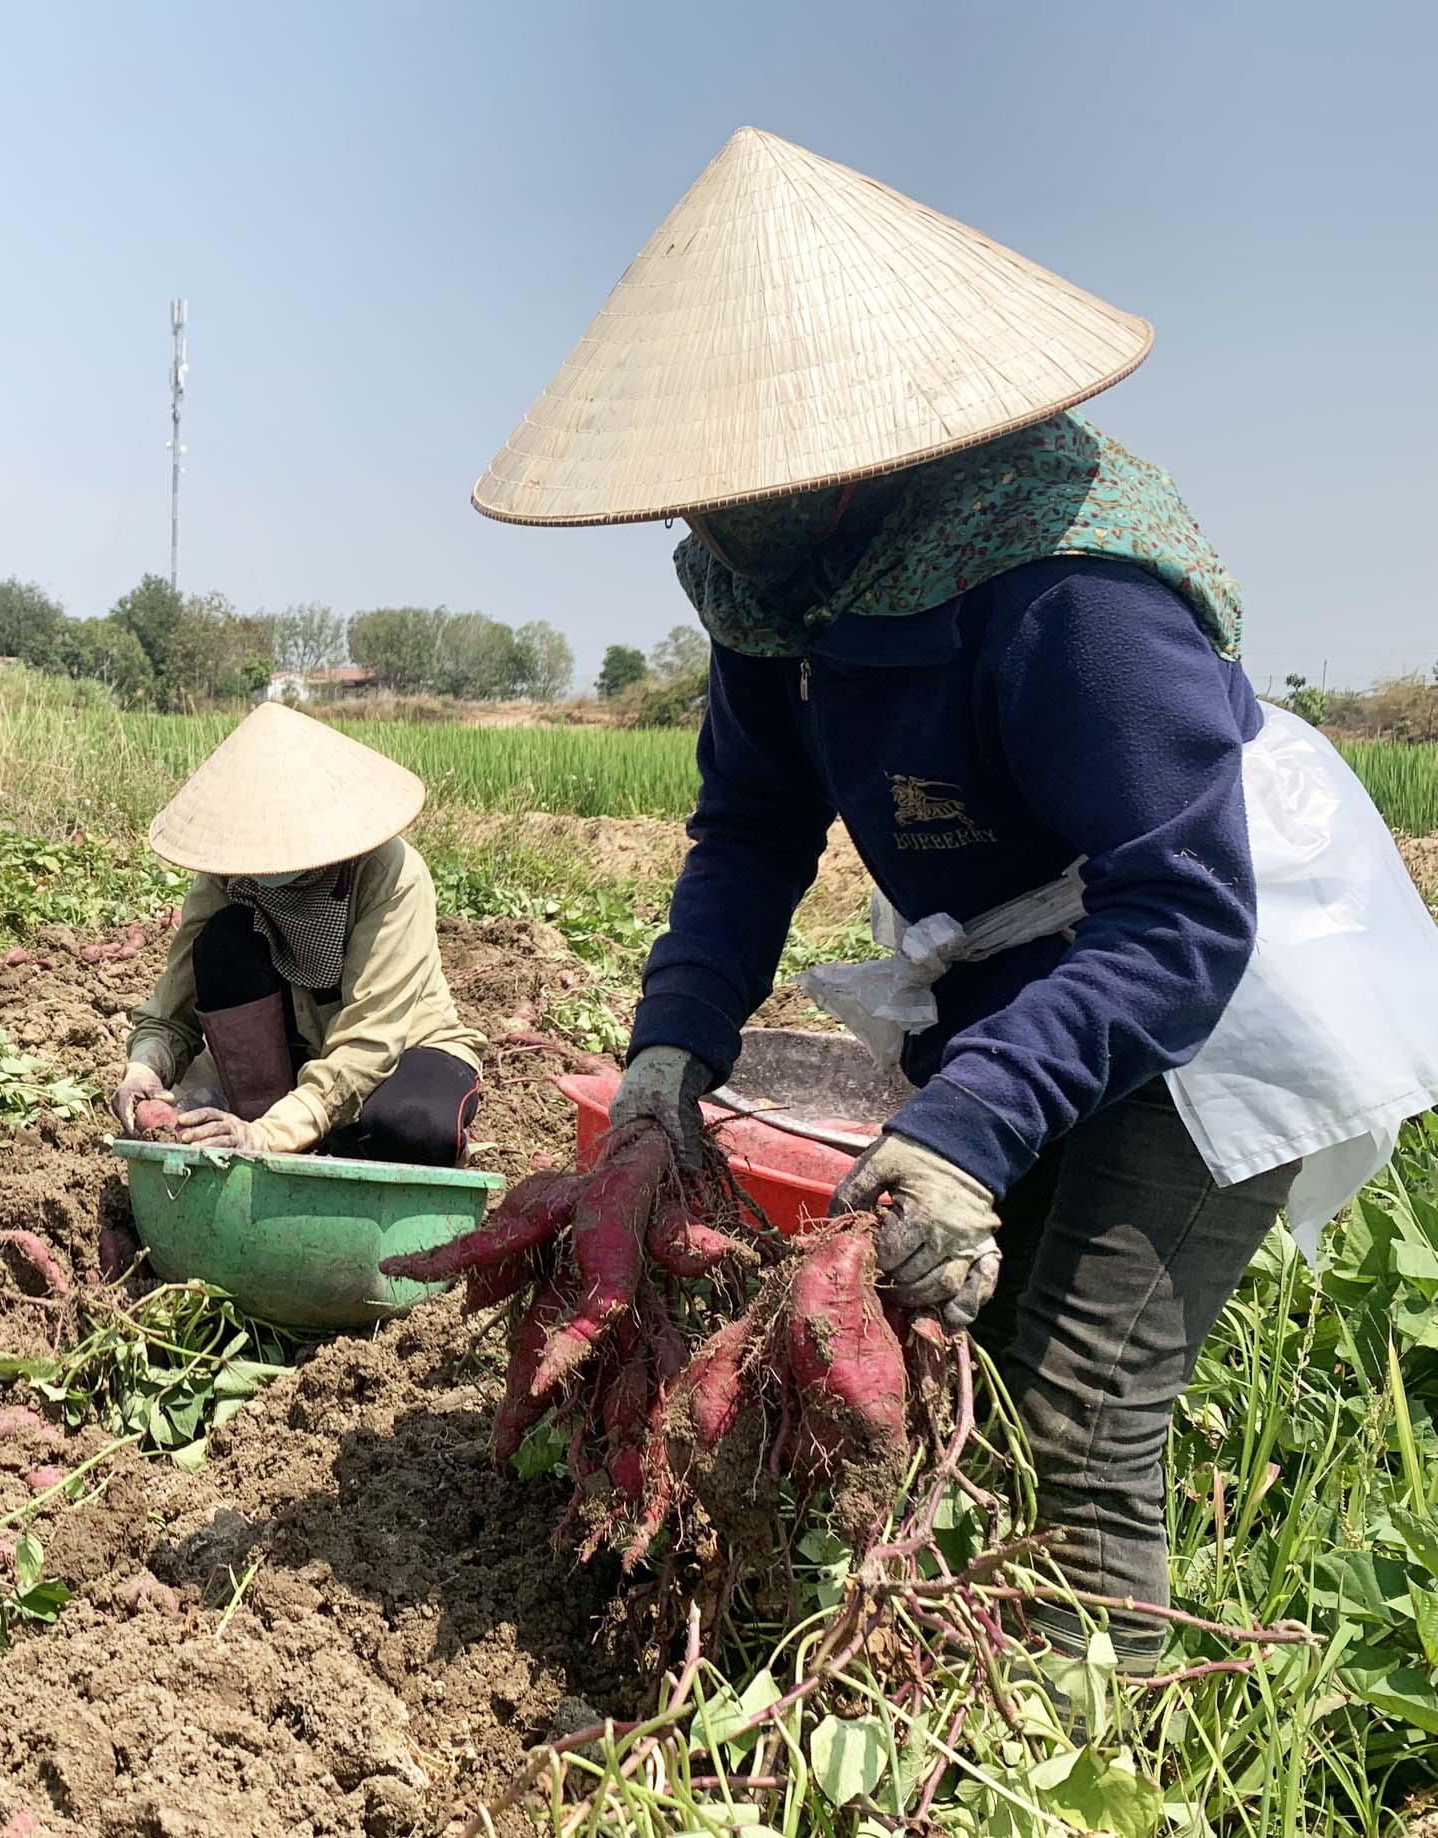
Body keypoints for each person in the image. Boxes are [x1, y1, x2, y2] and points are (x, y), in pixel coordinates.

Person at [473, 128, 1438, 1663]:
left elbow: (1182, 914)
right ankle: (961, 1667)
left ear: (859, 442)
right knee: (950, 1338)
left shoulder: (1071, 589)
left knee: (1080, 1387)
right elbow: (747, 831)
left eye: (748, 482)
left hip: (1222, 978)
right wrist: (673, 1051)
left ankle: (1100, 1742)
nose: (712, 524)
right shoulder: (778, 590)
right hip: (1044, 965)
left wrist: (966, 1134)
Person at [117, 703, 485, 1165]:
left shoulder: (389, 874)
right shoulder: (227, 874)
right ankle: (270, 1113)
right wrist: (146, 1064)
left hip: (403, 1047)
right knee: (223, 940)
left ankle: (309, 1126)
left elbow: (372, 1038)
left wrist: (271, 1133)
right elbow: (173, 1008)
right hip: (294, 1049)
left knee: (410, 1130)